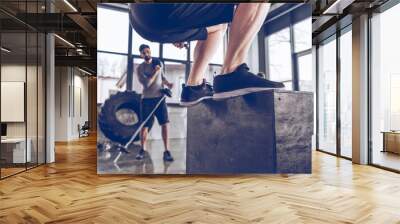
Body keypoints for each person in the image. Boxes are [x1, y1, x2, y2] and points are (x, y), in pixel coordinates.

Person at [129, 3, 284, 106]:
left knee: (218, 24)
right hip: (163, 9)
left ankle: (193, 86)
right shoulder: (142, 67)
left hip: (143, 19)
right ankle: (232, 71)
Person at [135, 44, 174, 162]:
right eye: (144, 53)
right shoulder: (139, 69)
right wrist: (155, 72)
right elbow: (147, 84)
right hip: (147, 100)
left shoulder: (157, 64)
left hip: (160, 99)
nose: (146, 54)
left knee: (165, 124)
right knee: (145, 126)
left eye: (148, 51)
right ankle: (142, 149)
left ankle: (167, 151)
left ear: (150, 51)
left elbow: (162, 78)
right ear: (141, 55)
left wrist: (168, 84)